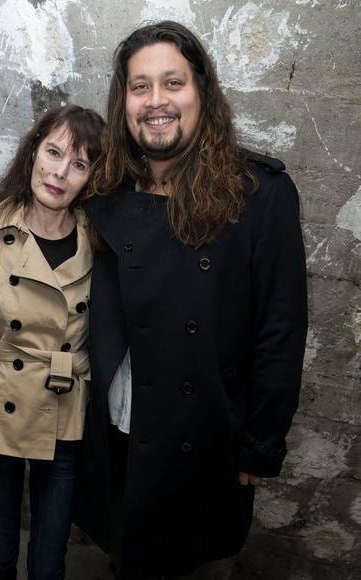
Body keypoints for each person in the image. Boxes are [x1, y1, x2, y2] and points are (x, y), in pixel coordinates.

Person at [72, 21, 308, 580]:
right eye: (140, 86)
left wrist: (260, 446)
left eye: (172, 83)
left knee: (188, 562)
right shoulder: (107, 189)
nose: (157, 101)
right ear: (124, 100)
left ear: (202, 91)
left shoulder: (259, 194)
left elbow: (281, 331)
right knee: (125, 553)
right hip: (120, 424)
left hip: (203, 437)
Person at [0, 104, 105, 580]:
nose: (58, 172)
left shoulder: (102, 241)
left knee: (51, 559)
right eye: (52, 152)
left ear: (92, 176)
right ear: (33, 152)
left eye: (79, 163)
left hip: (65, 408)